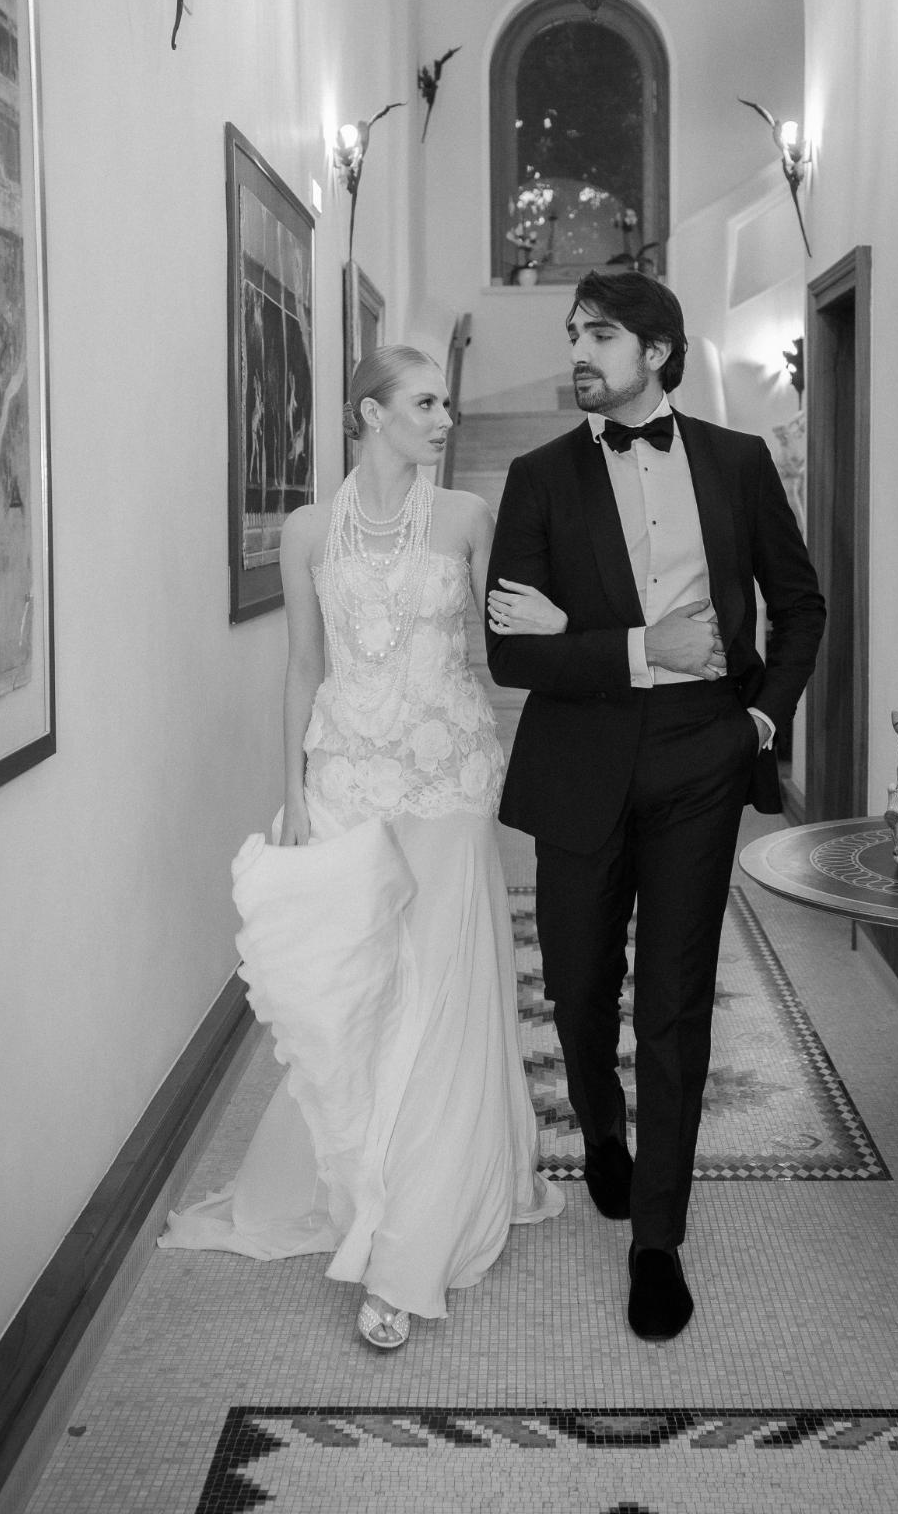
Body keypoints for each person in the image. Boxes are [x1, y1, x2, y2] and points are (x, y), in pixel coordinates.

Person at [162, 345, 562, 1349]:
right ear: (369, 414)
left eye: (446, 404)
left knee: (450, 991)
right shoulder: (306, 532)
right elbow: (304, 662)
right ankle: (367, 1186)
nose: (442, 420)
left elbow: (510, 645)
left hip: (452, 780)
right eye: (424, 403)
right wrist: (289, 788)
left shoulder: (469, 518)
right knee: (370, 992)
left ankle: (410, 1252)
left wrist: (564, 622)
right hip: (345, 778)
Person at [485, 271, 825, 1341]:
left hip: (701, 756)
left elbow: (800, 602)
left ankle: (658, 1244)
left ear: (661, 352)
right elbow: (506, 649)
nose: (579, 351)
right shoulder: (540, 479)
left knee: (675, 998)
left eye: (601, 335)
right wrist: (635, 648)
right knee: (581, 986)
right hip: (581, 754)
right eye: (574, 333)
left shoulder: (735, 461)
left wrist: (760, 720)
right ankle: (600, 1129)